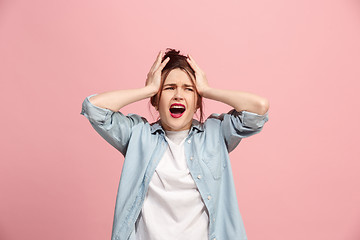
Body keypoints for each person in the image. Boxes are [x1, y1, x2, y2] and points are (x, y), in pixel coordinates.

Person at [80, 48, 270, 240]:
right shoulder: (137, 135)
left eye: (188, 89)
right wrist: (147, 89)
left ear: (197, 102)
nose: (179, 95)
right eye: (169, 88)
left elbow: (259, 108)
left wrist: (207, 90)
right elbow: (94, 108)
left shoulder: (216, 133)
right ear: (155, 99)